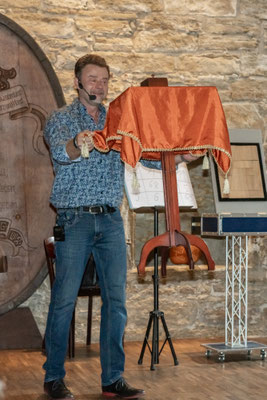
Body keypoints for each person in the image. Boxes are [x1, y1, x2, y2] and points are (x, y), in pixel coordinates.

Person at [43, 53, 199, 400]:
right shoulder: (61, 119)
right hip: (74, 218)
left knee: (117, 301)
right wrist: (78, 142)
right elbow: (59, 151)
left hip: (111, 220)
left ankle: (112, 379)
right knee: (64, 301)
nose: (99, 85)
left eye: (104, 79)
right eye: (92, 79)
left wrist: (180, 158)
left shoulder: (119, 121)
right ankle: (53, 377)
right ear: (78, 83)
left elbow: (144, 155)